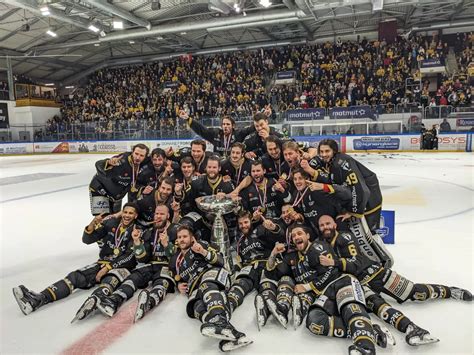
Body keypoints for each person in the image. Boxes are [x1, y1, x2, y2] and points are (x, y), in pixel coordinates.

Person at [317, 214, 472, 344]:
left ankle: (451, 291)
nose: (325, 227)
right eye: (322, 225)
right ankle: (412, 329)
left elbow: (356, 262)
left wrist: (334, 262)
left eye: (328, 223)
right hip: (358, 284)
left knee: (414, 292)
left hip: (375, 273)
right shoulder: (322, 245)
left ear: (334, 225)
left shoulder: (345, 237)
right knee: (381, 309)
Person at [266, 223, 388, 354]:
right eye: (293, 236)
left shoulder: (318, 247)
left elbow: (331, 271)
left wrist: (306, 287)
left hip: (340, 282)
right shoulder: (292, 257)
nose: (296, 237)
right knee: (314, 322)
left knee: (350, 309)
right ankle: (369, 331)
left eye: (299, 233)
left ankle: (366, 347)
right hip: (325, 294)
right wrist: (273, 254)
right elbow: (272, 273)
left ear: (307, 235)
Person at [13, 203, 140, 322]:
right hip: (103, 262)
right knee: (76, 277)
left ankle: (97, 299)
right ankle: (37, 300)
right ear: (122, 212)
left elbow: (130, 256)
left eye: (130, 213)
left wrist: (108, 268)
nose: (127, 215)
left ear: (136, 216)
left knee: (110, 281)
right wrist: (91, 225)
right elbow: (87, 240)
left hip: (123, 267)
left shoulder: (137, 230)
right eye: (125, 212)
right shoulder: (111, 224)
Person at [169, 225, 252, 352]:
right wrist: (178, 285)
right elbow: (175, 277)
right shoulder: (175, 259)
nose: (182, 239)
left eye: (185, 236)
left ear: (192, 238)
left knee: (206, 286)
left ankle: (220, 323)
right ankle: (232, 335)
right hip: (194, 287)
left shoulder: (201, 244)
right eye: (179, 237)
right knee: (197, 307)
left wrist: (203, 252)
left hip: (212, 275)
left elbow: (220, 261)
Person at [96, 205, 177, 321]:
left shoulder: (176, 230)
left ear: (168, 216)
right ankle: (114, 300)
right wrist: (137, 242)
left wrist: (166, 246)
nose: (158, 217)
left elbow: (178, 258)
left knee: (161, 283)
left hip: (167, 266)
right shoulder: (149, 232)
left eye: (162, 214)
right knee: (132, 278)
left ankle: (150, 302)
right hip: (150, 265)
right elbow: (142, 259)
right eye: (157, 214)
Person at [227, 211, 285, 330]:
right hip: (249, 267)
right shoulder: (240, 242)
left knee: (266, 284)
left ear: (251, 221)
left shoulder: (260, 230)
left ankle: (269, 306)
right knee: (241, 283)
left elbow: (280, 235)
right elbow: (240, 261)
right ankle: (228, 305)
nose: (243, 225)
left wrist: (274, 227)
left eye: (246, 222)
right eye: (241, 223)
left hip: (266, 263)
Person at [89, 144, 149, 215]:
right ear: (132, 152)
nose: (138, 157)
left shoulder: (143, 164)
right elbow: (98, 164)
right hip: (99, 190)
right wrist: (108, 162)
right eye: (136, 154)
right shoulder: (122, 160)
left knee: (114, 220)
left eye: (141, 155)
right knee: (102, 220)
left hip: (116, 197)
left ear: (145, 157)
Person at [179, 111, 255, 158]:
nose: (225, 126)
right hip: (218, 165)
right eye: (224, 124)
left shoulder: (238, 134)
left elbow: (250, 129)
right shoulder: (216, 134)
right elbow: (201, 130)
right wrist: (188, 119)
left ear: (233, 126)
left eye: (228, 124)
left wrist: (262, 118)